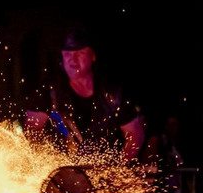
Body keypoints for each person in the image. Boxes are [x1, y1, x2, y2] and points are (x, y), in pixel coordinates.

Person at [26, 28, 145, 162]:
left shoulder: (112, 94)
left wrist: (118, 168)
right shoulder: (48, 91)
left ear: (93, 56)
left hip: (103, 172)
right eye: (68, 55)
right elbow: (32, 132)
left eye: (80, 53)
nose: (73, 60)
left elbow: (135, 134)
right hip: (62, 173)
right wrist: (46, 163)